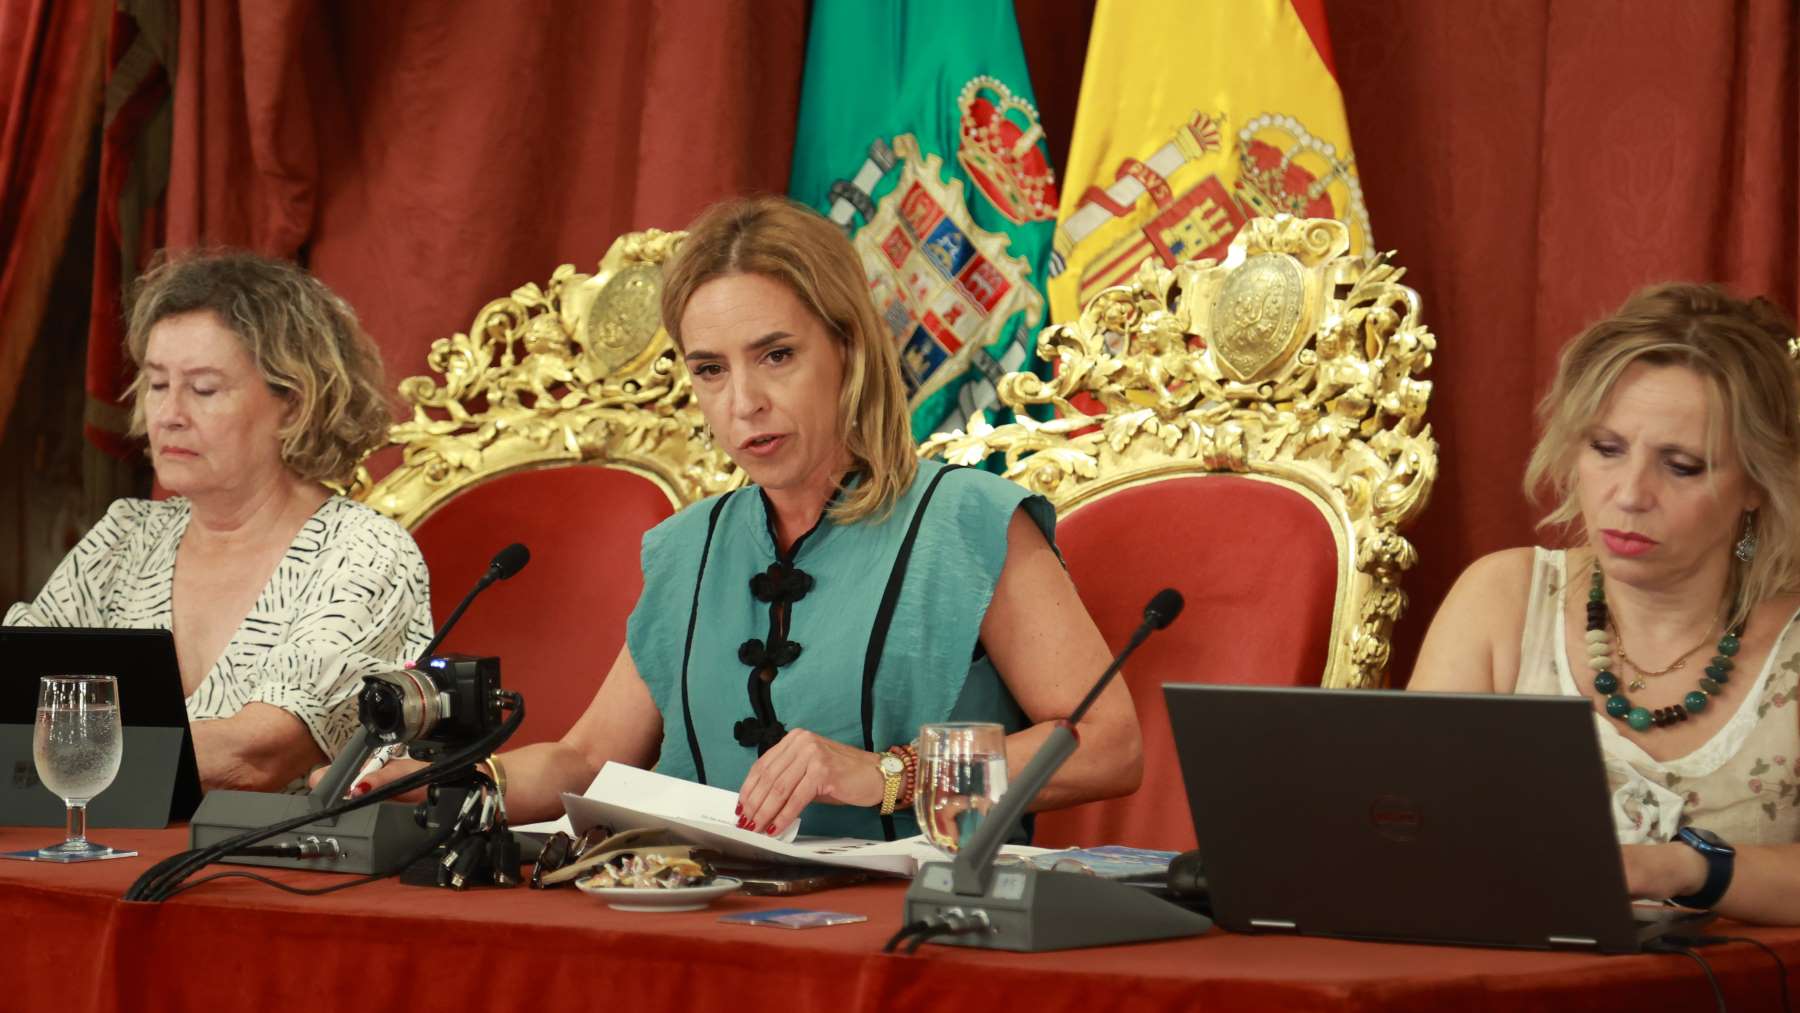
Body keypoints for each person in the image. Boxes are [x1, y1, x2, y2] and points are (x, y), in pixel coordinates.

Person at [352, 195, 1142, 840]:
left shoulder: (967, 520)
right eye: (710, 369)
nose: (743, 403)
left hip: (907, 933)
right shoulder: (688, 547)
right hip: (703, 922)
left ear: (848, 349)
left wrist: (891, 773)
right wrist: (443, 782)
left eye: (776, 355)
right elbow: (588, 759)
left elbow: (1107, 744)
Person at [1412, 282, 1800, 923]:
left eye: (1680, 465)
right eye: (1607, 449)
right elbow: (1403, 823)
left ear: (1756, 483)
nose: (1629, 494)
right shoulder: (1502, 599)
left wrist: (1684, 868)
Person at [6, 251, 433, 791]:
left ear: (294, 405)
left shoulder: (364, 551)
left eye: (203, 389)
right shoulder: (126, 537)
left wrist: (58, 751)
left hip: (275, 866)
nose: (169, 414)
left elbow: (256, 756)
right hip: (97, 852)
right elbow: (12, 704)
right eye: (157, 384)